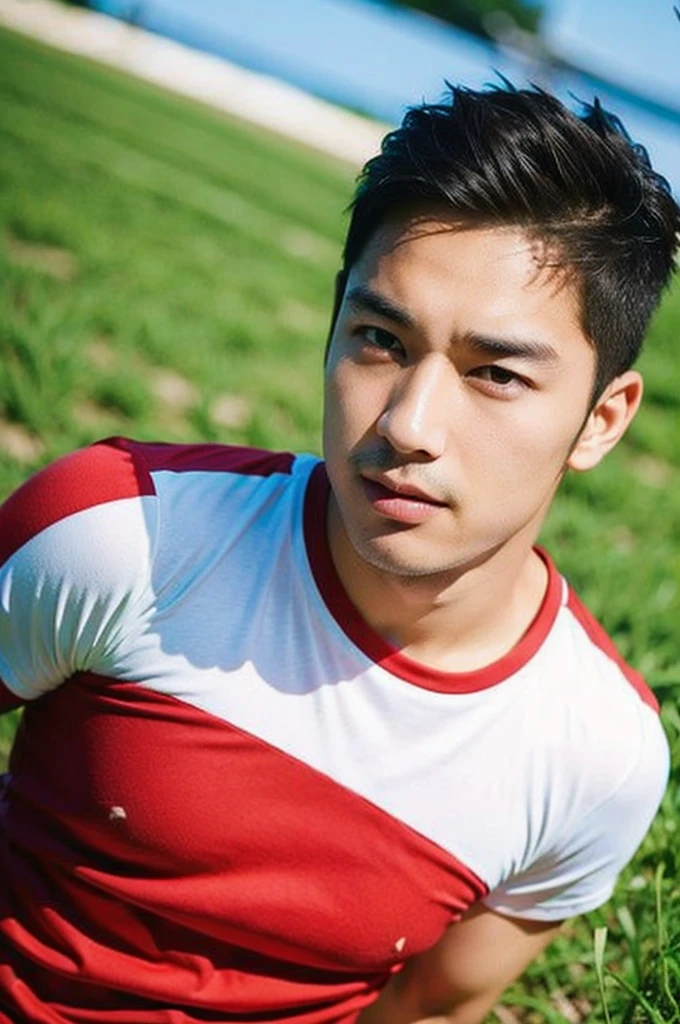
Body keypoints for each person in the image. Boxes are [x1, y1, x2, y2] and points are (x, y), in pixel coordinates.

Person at [0, 83, 678, 1024]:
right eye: (379, 339)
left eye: (496, 374)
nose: (407, 424)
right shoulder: (123, 533)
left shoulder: (597, 753)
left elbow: (434, 1005)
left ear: (601, 421)